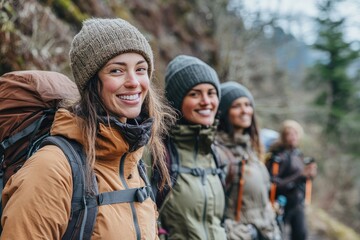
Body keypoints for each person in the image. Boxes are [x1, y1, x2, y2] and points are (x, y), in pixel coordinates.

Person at [1, 18, 175, 239]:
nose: (134, 81)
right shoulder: (52, 168)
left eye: (140, 69)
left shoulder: (133, 160)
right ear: (91, 82)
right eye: (116, 71)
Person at [154, 54, 227, 240]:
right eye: (194, 94)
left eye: (211, 93)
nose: (206, 101)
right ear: (178, 102)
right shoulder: (158, 153)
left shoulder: (215, 153)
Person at [216, 81, 281, 240]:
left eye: (248, 104)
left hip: (265, 232)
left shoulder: (251, 150)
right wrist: (236, 233)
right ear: (224, 112)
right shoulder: (218, 152)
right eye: (236, 106)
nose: (245, 110)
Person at [266, 120, 317, 240]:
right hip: (281, 204)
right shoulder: (278, 157)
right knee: (279, 235)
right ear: (283, 136)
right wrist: (300, 175)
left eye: (296, 133)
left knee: (301, 235)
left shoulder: (298, 154)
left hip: (297, 203)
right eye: (289, 134)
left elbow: (302, 179)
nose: (293, 137)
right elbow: (274, 184)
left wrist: (310, 175)